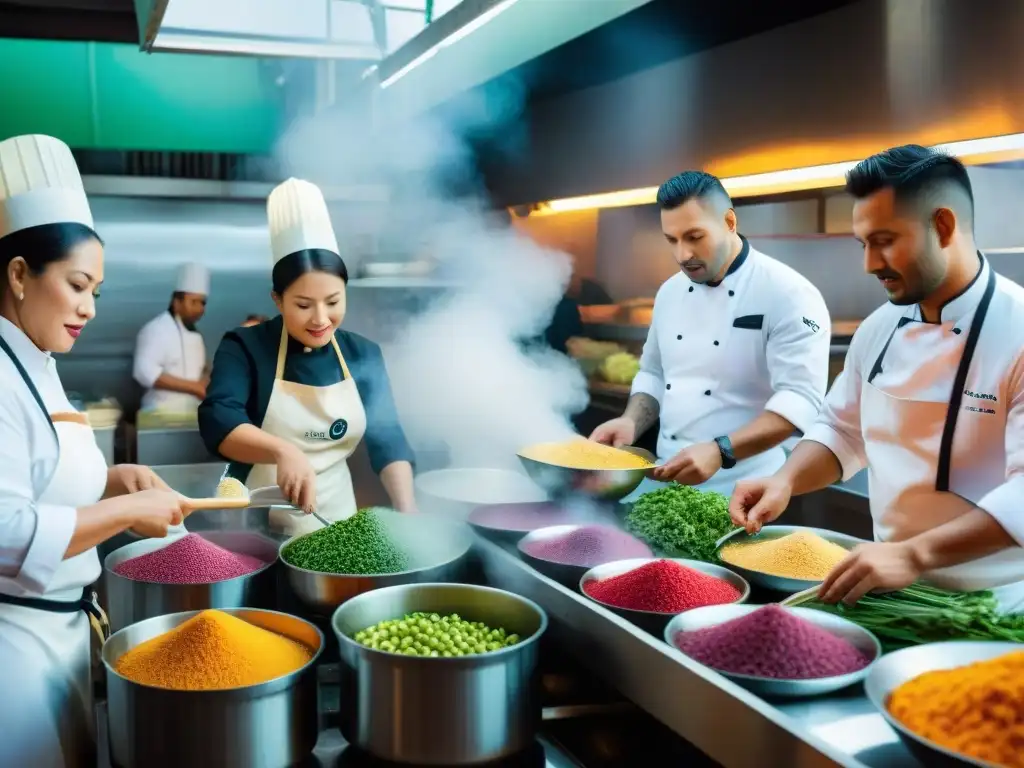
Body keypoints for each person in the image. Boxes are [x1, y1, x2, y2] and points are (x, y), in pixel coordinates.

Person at [729, 145, 1024, 612]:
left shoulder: (1019, 330)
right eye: (863, 244)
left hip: (999, 608)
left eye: (884, 240)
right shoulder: (879, 328)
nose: (869, 263)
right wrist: (785, 478)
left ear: (943, 226)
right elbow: (842, 431)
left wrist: (915, 554)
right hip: (888, 592)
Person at [0, 134, 188, 767]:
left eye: (97, 292)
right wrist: (125, 516)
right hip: (16, 651)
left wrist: (109, 480)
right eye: (78, 285)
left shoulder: (37, 356)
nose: (88, 308)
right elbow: (5, 530)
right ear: (20, 275)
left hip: (64, 634)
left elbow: (35, 476)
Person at [590, 171, 831, 497]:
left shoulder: (788, 293)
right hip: (667, 484)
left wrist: (721, 451)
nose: (682, 255)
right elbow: (653, 373)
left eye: (694, 237)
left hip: (747, 491)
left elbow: (801, 400)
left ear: (729, 222)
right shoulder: (669, 292)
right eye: (671, 240)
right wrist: (631, 422)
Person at [198, 179, 416, 536]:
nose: (320, 319)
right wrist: (282, 451)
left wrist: (407, 511)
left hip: (338, 527)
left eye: (333, 302)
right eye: (303, 305)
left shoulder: (363, 354)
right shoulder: (246, 346)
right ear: (277, 300)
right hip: (260, 529)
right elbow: (219, 420)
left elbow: (387, 438)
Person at [133, 261, 210, 411]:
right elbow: (143, 372)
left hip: (190, 414)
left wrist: (206, 376)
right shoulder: (157, 329)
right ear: (176, 302)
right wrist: (194, 388)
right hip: (158, 413)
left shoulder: (195, 334)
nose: (199, 308)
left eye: (203, 303)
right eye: (193, 302)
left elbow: (202, 368)